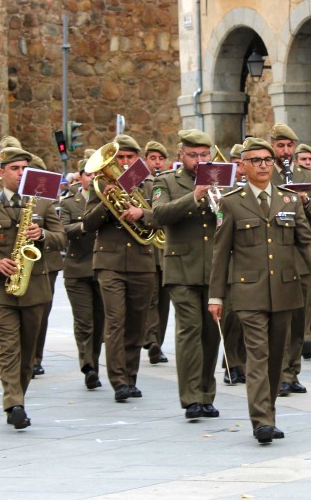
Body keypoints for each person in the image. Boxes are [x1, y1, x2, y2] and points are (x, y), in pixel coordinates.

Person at [207, 138, 311, 444]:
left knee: (277, 356)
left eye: (267, 160)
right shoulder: (231, 202)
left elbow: (307, 241)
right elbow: (221, 253)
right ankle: (261, 420)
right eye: (256, 160)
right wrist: (216, 295)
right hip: (248, 293)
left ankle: (269, 411)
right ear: (244, 166)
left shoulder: (289, 201)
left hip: (285, 290)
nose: (263, 165)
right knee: (257, 355)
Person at [0, 147, 66, 430]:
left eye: (24, 168)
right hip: (0, 289)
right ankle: (14, 403)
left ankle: (18, 394)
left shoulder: (43, 204)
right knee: (9, 348)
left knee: (27, 351)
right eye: (14, 168)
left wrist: (43, 234)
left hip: (35, 288)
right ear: (1, 172)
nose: (21, 173)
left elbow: (61, 238)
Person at [81, 135, 160, 402]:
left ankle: (131, 375)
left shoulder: (149, 184)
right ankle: (118, 381)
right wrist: (108, 202)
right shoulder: (100, 185)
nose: (124, 162)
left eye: (129, 157)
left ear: (137, 158)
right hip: (110, 262)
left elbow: (160, 218)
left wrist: (141, 212)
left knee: (136, 322)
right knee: (115, 320)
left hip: (142, 259)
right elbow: (88, 224)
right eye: (120, 158)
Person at [150, 130, 223, 420]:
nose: (200, 160)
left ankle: (207, 395)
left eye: (205, 155)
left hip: (214, 269)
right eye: (193, 155)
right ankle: (191, 397)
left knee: (211, 335)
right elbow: (159, 215)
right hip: (181, 269)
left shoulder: (221, 180)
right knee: (189, 331)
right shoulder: (165, 181)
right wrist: (194, 197)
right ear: (181, 155)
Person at [267, 123, 311, 394]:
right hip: (273, 255)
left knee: (299, 320)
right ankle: (278, 373)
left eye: (290, 146)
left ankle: (292, 372)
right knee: (279, 318)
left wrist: (305, 201)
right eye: (280, 146)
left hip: (301, 257)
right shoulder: (265, 172)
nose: (285, 151)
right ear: (273, 146)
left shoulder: (309, 176)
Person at [59, 161, 105, 391]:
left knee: (100, 322)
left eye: (97, 174)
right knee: (84, 321)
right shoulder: (69, 202)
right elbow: (64, 230)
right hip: (77, 269)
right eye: (89, 174)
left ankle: (94, 362)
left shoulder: (108, 201)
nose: (92, 178)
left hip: (102, 268)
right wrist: (85, 227)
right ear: (80, 177)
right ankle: (88, 366)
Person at [141, 139, 172, 367]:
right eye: (153, 158)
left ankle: (157, 341)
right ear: (145, 160)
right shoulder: (138, 183)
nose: (157, 162)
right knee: (150, 299)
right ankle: (152, 342)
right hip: (146, 249)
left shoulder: (168, 182)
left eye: (161, 158)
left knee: (163, 301)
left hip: (164, 249)